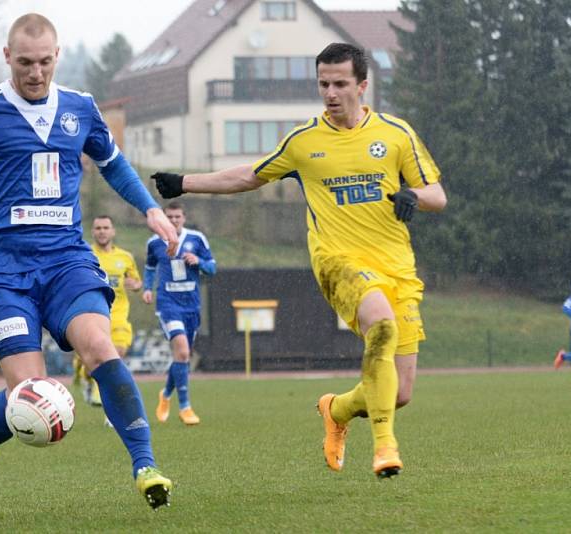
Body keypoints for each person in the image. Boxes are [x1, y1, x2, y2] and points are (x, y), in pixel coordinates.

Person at [0, 14, 177, 517]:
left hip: (66, 260)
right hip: (2, 271)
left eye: (45, 61)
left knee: (99, 344)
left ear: (57, 56)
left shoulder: (81, 109)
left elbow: (114, 165)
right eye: (25, 62)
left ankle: (145, 466)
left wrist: (150, 209)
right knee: (32, 393)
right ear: (7, 57)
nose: (36, 72)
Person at [152, 43, 446, 478]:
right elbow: (249, 175)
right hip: (338, 261)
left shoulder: (396, 134)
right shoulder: (304, 141)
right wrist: (185, 182)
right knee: (380, 325)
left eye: (340, 83)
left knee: (399, 391)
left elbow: (437, 196)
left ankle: (338, 409)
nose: (330, 92)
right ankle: (385, 447)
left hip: (396, 267)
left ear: (362, 86)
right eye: (323, 83)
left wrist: (412, 196)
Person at [142, 201, 216, 426]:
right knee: (183, 351)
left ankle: (165, 394)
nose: (173, 221)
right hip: (168, 304)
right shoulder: (154, 242)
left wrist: (199, 262)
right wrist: (147, 288)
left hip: (191, 305)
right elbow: (150, 267)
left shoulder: (197, 239)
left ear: (184, 218)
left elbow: (212, 269)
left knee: (181, 357)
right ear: (163, 218)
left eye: (177, 217)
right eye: (169, 217)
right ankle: (185, 407)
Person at [73, 216, 142, 422]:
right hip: (92, 313)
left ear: (113, 231)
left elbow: (136, 281)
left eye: (106, 227)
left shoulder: (126, 257)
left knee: (116, 354)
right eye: (98, 228)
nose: (102, 231)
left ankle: (108, 409)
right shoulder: (84, 253)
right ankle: (87, 380)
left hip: (118, 315)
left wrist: (135, 285)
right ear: (93, 232)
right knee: (90, 359)